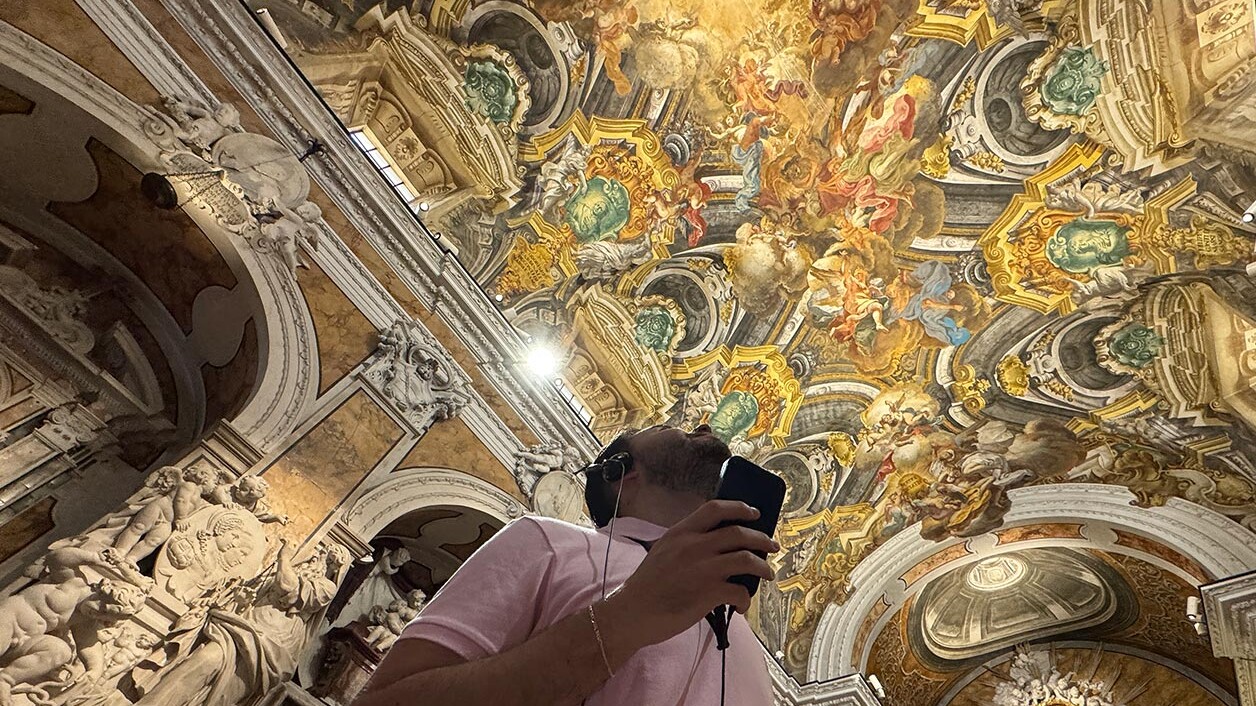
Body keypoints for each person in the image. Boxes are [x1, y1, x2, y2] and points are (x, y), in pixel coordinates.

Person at [354, 424, 778, 705]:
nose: (702, 428)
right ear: (619, 471)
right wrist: (626, 616)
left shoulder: (749, 646)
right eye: (673, 429)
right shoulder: (548, 543)